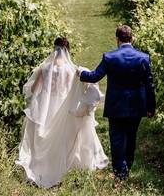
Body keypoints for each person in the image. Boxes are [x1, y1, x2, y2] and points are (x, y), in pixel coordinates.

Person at [16, 37, 108, 187]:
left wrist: (42, 93)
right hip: (61, 107)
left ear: (54, 48)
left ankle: (40, 170)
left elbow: (33, 89)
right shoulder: (70, 69)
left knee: (41, 137)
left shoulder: (45, 67)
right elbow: (69, 90)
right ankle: (59, 171)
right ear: (68, 50)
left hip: (45, 108)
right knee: (61, 139)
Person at [79, 25, 156, 180]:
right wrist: (151, 107)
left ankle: (121, 172)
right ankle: (126, 167)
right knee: (131, 137)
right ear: (132, 38)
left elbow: (95, 76)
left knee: (117, 139)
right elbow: (149, 85)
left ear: (117, 40)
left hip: (116, 106)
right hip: (136, 106)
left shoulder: (109, 57)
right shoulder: (144, 57)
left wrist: (80, 73)